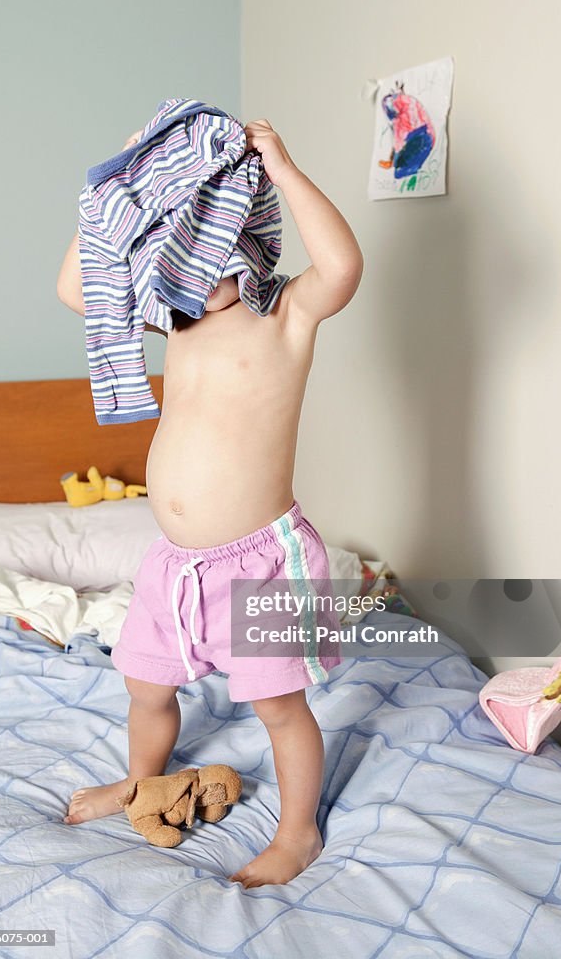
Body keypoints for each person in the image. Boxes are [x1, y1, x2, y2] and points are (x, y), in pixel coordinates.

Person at [56, 118, 364, 887]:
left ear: (251, 248)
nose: (196, 277)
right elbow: (76, 290)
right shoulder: (177, 323)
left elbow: (343, 264)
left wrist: (285, 169)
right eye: (181, 259)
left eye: (213, 256)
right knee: (145, 689)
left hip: (260, 561)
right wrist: (106, 200)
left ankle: (298, 833)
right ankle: (138, 780)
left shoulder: (283, 317)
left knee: (279, 708)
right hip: (174, 566)